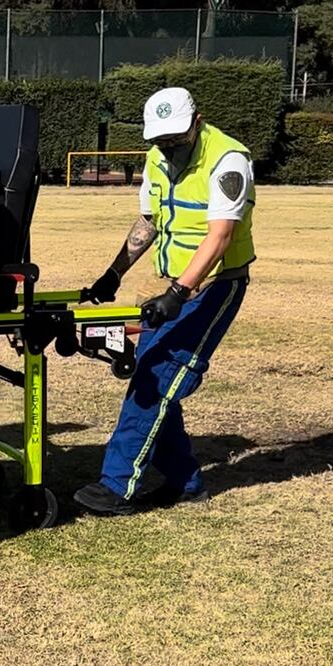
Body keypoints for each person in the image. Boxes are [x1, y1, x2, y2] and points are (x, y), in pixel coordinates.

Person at [74, 87, 255, 516]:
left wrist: (178, 294)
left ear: (198, 122)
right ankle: (186, 483)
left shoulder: (229, 160)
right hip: (172, 284)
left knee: (158, 376)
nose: (167, 146)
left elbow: (221, 235)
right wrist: (113, 273)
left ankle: (118, 485)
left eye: (175, 137)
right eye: (160, 140)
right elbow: (149, 222)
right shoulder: (156, 158)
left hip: (214, 286)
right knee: (154, 376)